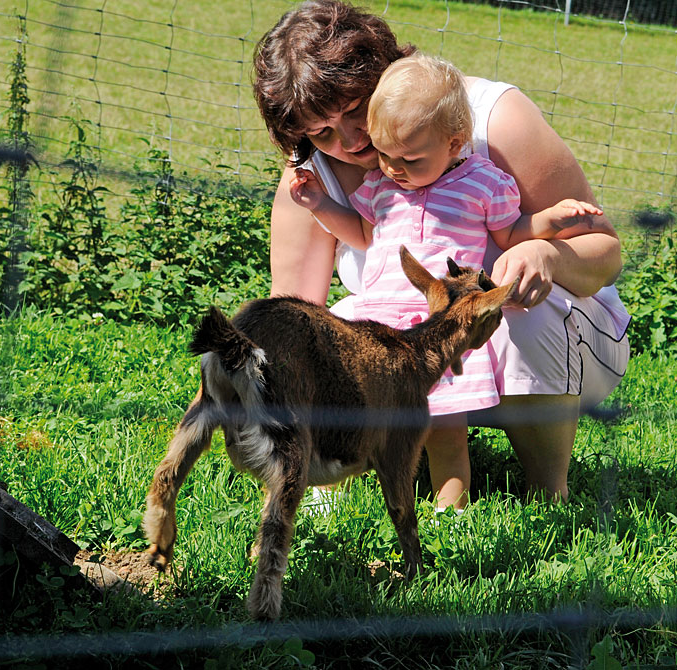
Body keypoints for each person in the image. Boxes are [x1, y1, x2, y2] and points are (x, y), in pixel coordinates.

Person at [253, 0, 631, 510]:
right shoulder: (311, 181)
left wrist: (548, 253)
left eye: (355, 110)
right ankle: (330, 483)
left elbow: (605, 250)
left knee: (521, 309)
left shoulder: (494, 119)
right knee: (333, 330)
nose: (348, 140)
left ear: (384, 73)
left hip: (565, 346)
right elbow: (290, 315)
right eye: (320, 132)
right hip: (423, 361)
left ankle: (548, 493)